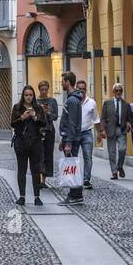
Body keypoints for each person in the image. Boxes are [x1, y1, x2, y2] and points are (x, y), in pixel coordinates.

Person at [10, 84, 47, 206]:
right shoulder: (17, 107)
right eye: (26, 95)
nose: (28, 97)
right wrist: (22, 117)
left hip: (35, 142)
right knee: (22, 169)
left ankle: (37, 197)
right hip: (21, 142)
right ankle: (22, 196)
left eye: (30, 95)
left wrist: (34, 117)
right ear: (23, 96)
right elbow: (13, 124)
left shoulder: (38, 108)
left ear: (33, 96)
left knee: (35, 169)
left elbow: (43, 123)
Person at [58, 72, 85, 203]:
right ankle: (75, 194)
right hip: (69, 138)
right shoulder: (72, 99)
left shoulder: (72, 100)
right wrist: (62, 140)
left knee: (72, 167)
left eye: (62, 81)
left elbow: (72, 123)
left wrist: (68, 142)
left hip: (72, 140)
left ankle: (76, 195)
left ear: (68, 82)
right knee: (72, 166)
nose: (61, 83)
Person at [101, 82, 132, 180]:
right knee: (112, 153)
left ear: (122, 92)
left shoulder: (126, 105)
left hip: (121, 129)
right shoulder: (107, 103)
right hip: (110, 130)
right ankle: (114, 172)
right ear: (113, 91)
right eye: (116, 90)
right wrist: (102, 130)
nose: (118, 92)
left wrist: (129, 123)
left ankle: (120, 166)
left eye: (120, 90)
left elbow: (130, 118)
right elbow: (103, 118)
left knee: (122, 149)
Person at [77, 80, 100, 190]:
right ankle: (75, 179)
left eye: (83, 88)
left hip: (87, 133)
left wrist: (100, 132)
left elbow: (96, 119)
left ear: (86, 90)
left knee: (88, 157)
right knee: (73, 157)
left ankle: (86, 179)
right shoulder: (72, 101)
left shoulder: (92, 103)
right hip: (75, 134)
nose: (81, 90)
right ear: (76, 89)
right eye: (79, 88)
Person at [37, 80, 59, 186]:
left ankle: (44, 179)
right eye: (42, 89)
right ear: (39, 90)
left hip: (49, 130)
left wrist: (48, 112)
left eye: (46, 89)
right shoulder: (35, 102)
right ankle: (40, 178)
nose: (44, 91)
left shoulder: (52, 101)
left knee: (48, 155)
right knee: (39, 154)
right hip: (38, 131)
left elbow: (55, 117)